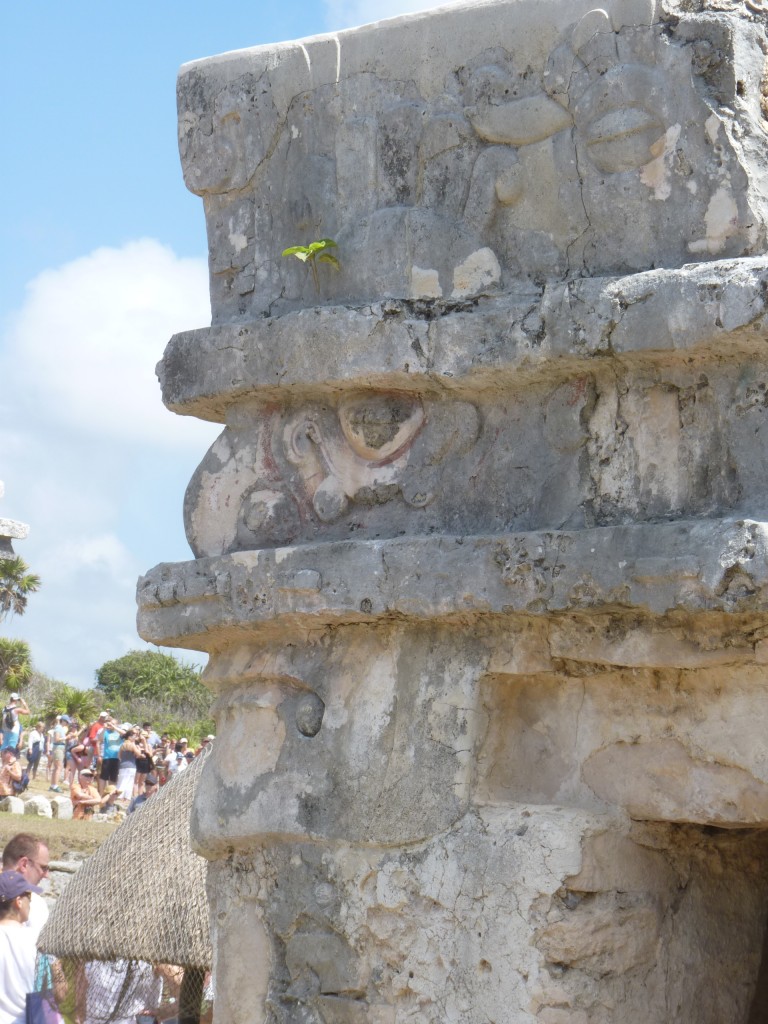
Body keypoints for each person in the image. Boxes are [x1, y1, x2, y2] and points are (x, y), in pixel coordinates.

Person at [0, 870, 44, 1024]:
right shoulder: (38, 941)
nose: (30, 902)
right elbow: (57, 991)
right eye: (29, 897)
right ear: (18, 902)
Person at [1, 835, 50, 943]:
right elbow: (43, 953)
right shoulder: (35, 903)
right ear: (24, 864)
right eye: (43, 868)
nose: (46, 875)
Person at [99, 717, 122, 795]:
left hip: (116, 758)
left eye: (113, 723)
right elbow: (100, 739)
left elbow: (124, 734)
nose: (111, 725)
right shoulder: (106, 732)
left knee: (113, 778)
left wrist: (114, 727)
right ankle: (101, 794)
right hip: (107, 757)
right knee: (103, 777)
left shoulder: (119, 733)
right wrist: (104, 728)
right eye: (110, 723)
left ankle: (110, 795)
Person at [48, 715, 69, 792]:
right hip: (58, 747)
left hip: (59, 747)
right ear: (63, 721)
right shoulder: (58, 727)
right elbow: (56, 739)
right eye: (66, 722)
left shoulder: (59, 728)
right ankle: (55, 786)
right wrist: (66, 738)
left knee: (56, 767)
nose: (67, 724)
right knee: (58, 767)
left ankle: (53, 785)